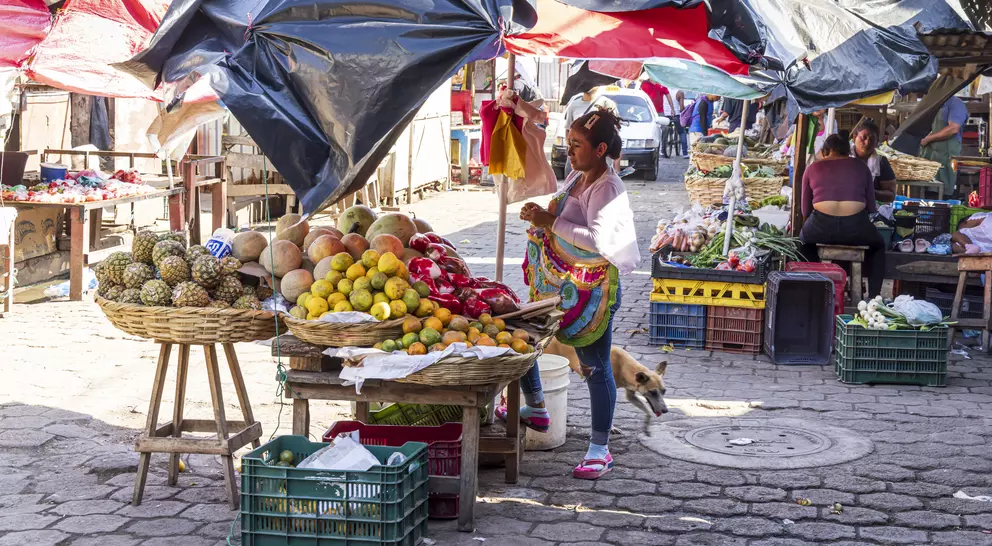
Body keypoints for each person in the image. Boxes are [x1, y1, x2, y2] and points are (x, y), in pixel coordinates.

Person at [511, 107, 639, 480]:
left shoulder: (607, 188)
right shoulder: (578, 177)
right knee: (524, 337)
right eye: (567, 144)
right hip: (561, 284)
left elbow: (601, 244)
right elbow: (565, 221)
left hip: (591, 293)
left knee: (595, 368)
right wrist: (540, 215)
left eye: (577, 145)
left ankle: (600, 449)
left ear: (600, 149)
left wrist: (550, 222)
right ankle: (536, 406)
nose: (569, 152)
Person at [799, 135, 885, 298]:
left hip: (820, 226)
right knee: (879, 245)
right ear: (848, 151)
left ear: (825, 151)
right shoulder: (861, 167)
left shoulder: (812, 168)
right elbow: (872, 207)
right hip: (856, 227)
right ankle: (875, 296)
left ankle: (810, 290)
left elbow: (805, 210)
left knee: (803, 242)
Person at [563, 88, 618, 178]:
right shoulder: (573, 105)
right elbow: (568, 130)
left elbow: (614, 133)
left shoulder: (607, 104)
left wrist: (616, 164)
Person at [921, 95, 968, 197]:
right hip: (932, 156)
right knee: (928, 193)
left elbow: (953, 128)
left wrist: (928, 139)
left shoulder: (955, 103)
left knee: (943, 193)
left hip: (946, 157)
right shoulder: (937, 104)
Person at [851, 119, 896, 203]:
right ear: (854, 137)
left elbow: (891, 196)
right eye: (864, 137)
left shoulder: (881, 162)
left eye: (872, 139)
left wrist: (870, 192)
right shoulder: (844, 157)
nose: (867, 142)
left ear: (877, 141)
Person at [674, 90, 695, 157]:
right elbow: (681, 108)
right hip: (676, 115)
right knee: (682, 132)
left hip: (666, 115)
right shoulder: (679, 93)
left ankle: (663, 151)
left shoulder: (665, 90)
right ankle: (685, 153)